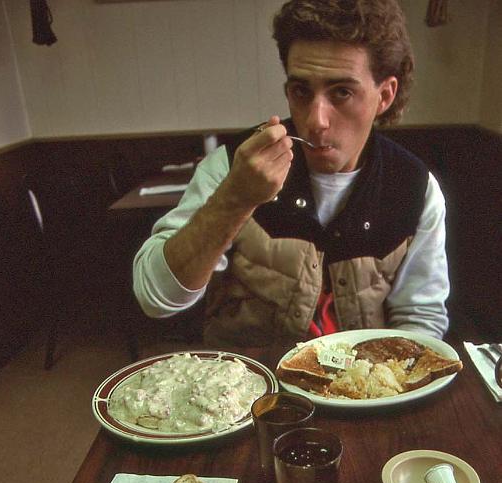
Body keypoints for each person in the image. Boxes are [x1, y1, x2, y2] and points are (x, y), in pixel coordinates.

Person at [133, 0, 450, 348]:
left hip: (365, 393)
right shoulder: (232, 166)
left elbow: (421, 318)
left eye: (342, 92)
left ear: (385, 95)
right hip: (248, 391)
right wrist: (233, 200)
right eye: (301, 91)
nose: (316, 121)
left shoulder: (416, 189)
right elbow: (155, 298)